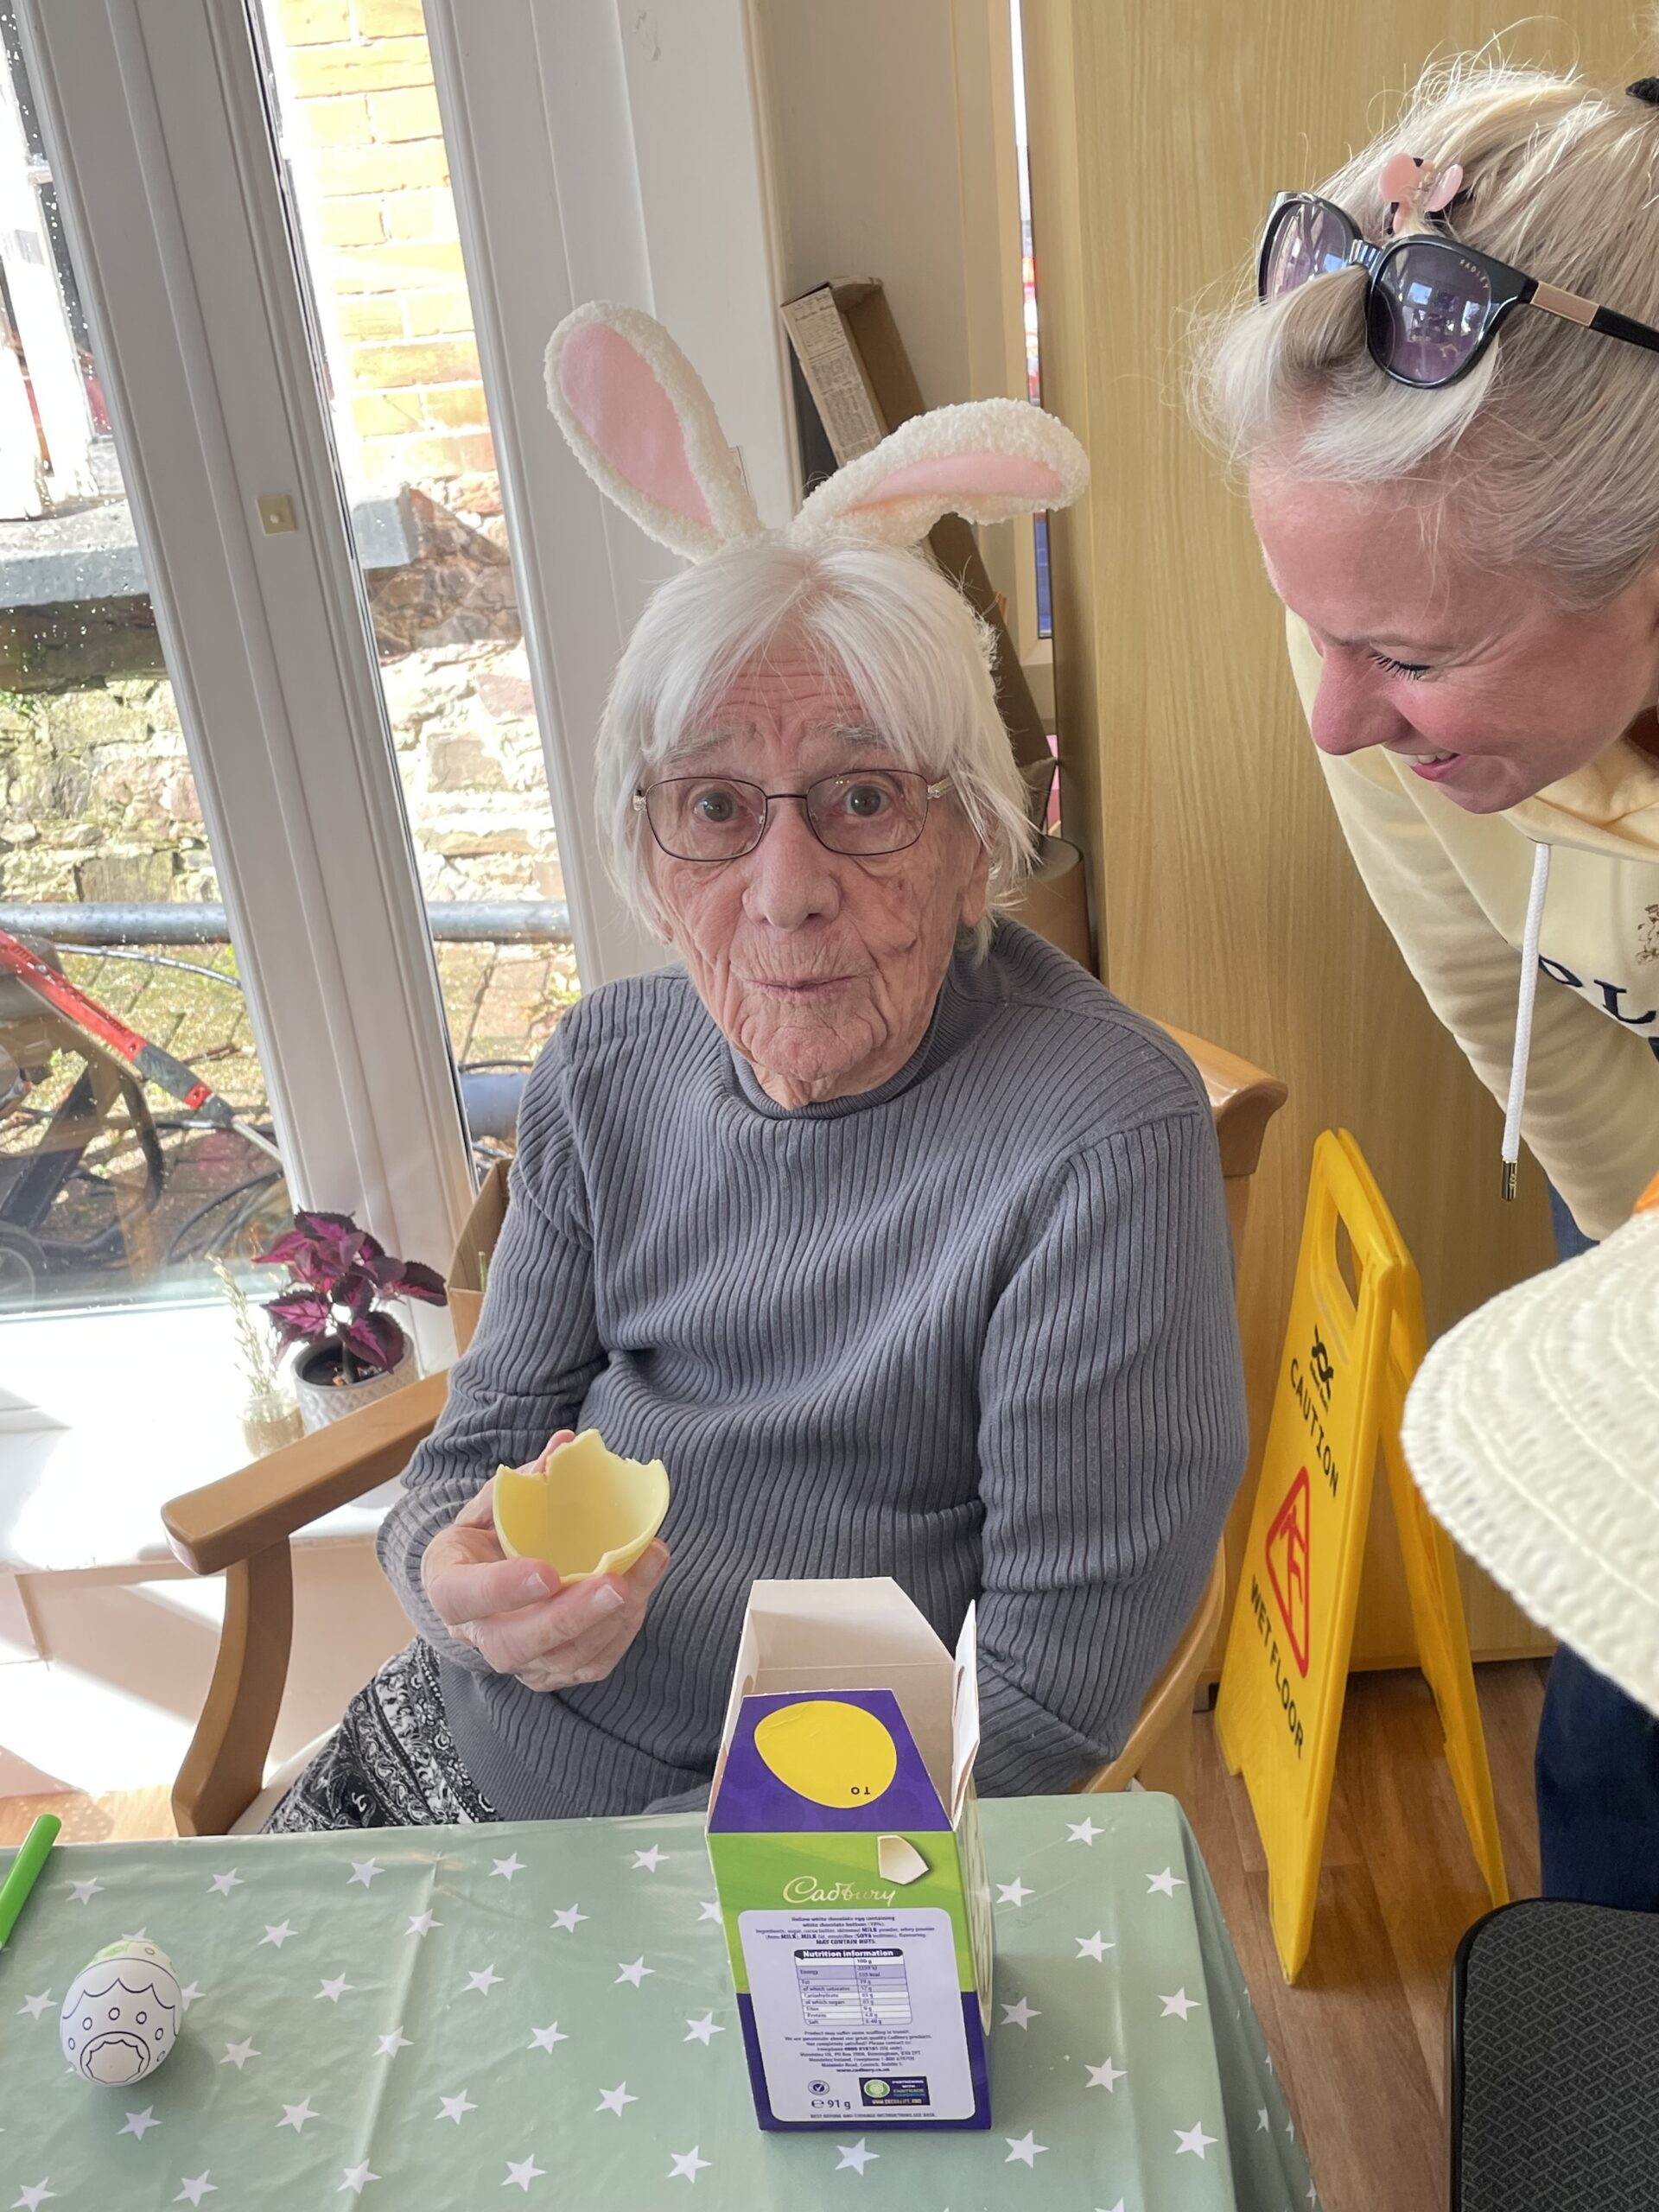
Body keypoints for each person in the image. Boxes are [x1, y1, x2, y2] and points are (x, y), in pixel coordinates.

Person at [266, 305, 1248, 1830]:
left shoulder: (1098, 1136)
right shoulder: (603, 1066)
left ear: (978, 838)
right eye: (716, 809)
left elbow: (1048, 1704)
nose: (783, 887)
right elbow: (473, 1455)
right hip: (467, 1748)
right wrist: (454, 1582)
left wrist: (700, 1887)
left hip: (828, 1850)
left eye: (862, 796)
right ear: (651, 861)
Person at [1192, 58, 1659, 1904]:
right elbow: (1523, 1024)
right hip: (1638, 1167)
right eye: (1314, 623)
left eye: (1408, 651)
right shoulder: (1362, 664)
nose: (1330, 713)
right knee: (1621, 1666)